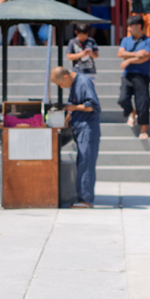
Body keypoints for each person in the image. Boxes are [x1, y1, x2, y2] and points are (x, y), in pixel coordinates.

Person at [50, 66, 101, 208]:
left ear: (66, 77)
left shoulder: (83, 82)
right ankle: (83, 197)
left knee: (86, 162)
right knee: (82, 161)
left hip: (88, 128)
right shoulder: (75, 84)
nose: (61, 87)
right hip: (80, 127)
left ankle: (86, 200)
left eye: (60, 84)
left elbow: (94, 106)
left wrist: (74, 108)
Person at [117, 14, 150, 140]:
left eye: (131, 27)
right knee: (122, 99)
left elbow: (145, 57)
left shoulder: (148, 40)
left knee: (143, 103)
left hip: (142, 75)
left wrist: (128, 60)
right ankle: (132, 112)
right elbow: (120, 53)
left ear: (139, 26)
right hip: (127, 75)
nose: (128, 29)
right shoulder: (126, 40)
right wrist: (136, 54)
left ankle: (143, 129)